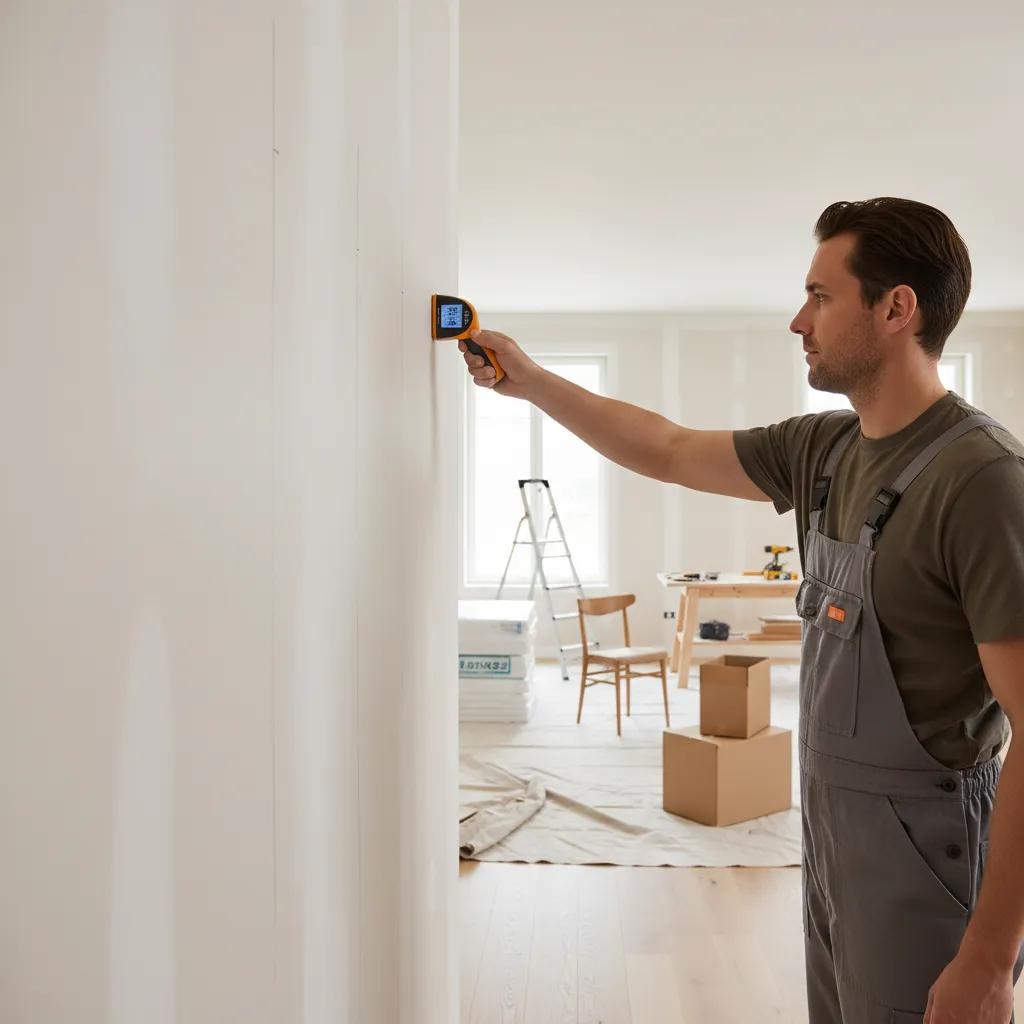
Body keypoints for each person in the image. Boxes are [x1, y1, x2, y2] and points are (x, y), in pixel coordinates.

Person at [459, 197, 1024, 1024]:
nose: (801, 320)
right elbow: (668, 447)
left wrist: (988, 956)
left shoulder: (981, 481)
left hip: (927, 850)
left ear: (897, 308)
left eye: (822, 297)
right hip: (830, 827)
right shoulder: (824, 450)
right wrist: (530, 380)